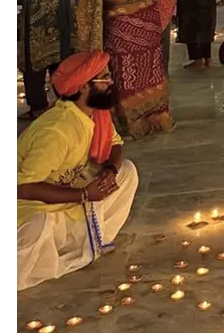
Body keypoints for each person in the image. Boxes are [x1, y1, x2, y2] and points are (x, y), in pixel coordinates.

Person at [16, 51, 140, 292]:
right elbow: (24, 187)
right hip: (34, 208)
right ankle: (57, 250)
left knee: (127, 173)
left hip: (71, 194)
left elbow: (115, 144)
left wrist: (110, 170)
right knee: (36, 228)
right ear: (84, 86)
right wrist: (84, 195)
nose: (112, 82)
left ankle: (86, 241)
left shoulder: (96, 113)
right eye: (105, 78)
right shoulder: (57, 130)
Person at [93, 0, 175, 137]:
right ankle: (157, 117)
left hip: (119, 25)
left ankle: (130, 121)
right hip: (147, 22)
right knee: (150, 66)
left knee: (123, 71)